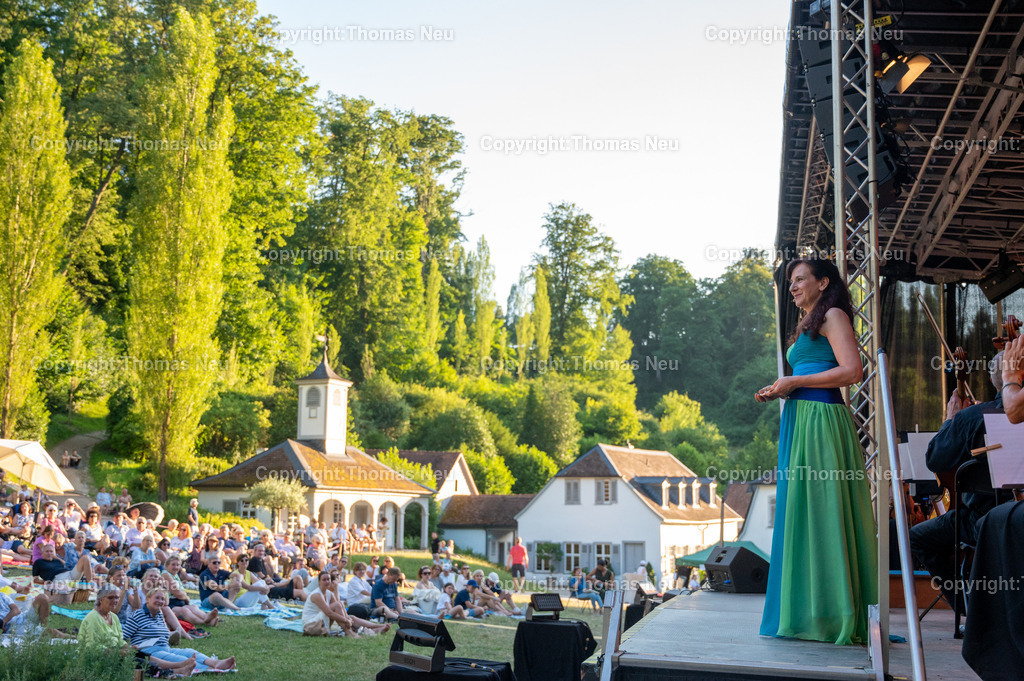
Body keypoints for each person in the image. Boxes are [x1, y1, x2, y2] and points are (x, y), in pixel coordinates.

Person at [754, 257, 877, 645]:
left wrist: (794, 380)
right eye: (791, 281)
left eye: (800, 279)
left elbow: (853, 371)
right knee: (804, 513)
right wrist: (780, 387)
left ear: (824, 282)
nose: (792, 287)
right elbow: (807, 373)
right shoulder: (809, 322)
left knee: (823, 512)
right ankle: (809, 610)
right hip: (800, 420)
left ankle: (833, 613)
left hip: (822, 420)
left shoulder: (834, 315)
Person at [909, 351, 1007, 613]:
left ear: (996, 381)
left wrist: (950, 420)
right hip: (1016, 515)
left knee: (917, 537)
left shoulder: (972, 418)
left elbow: (935, 459)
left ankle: (969, 610)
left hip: (982, 521)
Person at [122, 587, 236, 671]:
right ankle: (210, 669)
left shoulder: (159, 614)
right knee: (179, 658)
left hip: (165, 648)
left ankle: (215, 663)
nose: (160, 601)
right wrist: (131, 648)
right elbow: (124, 636)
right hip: (149, 651)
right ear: (147, 599)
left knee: (190, 652)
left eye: (163, 599)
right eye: (157, 598)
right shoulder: (137, 615)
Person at [301, 571, 360, 637]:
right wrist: (346, 620)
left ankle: (350, 631)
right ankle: (348, 632)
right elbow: (329, 613)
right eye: (324, 580)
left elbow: (339, 606)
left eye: (328, 579)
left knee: (339, 604)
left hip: (320, 621)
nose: (327, 582)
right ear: (319, 581)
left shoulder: (329, 593)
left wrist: (347, 618)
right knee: (336, 606)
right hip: (310, 625)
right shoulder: (316, 594)